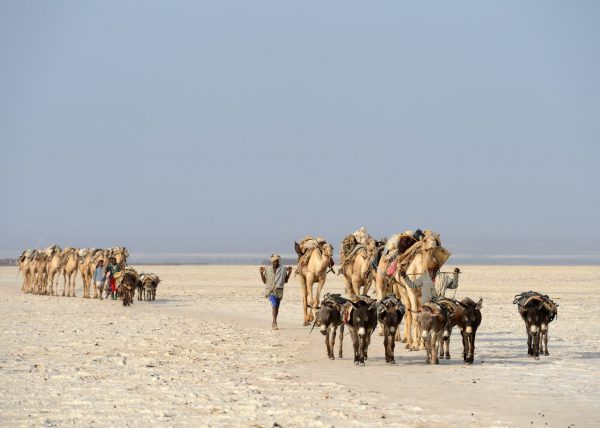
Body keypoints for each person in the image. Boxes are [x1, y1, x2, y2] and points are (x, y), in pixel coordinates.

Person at [260, 254, 292, 330]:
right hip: (270, 291)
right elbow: (265, 281)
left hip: (279, 291)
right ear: (272, 262)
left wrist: (289, 273)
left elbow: (286, 281)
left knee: (276, 307)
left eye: (277, 261)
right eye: (274, 261)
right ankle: (274, 322)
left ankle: (274, 321)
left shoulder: (283, 269)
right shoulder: (267, 269)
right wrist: (261, 273)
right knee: (274, 305)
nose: (276, 263)